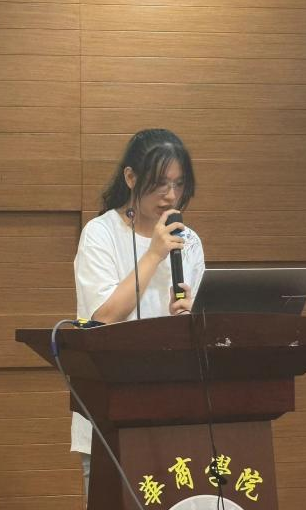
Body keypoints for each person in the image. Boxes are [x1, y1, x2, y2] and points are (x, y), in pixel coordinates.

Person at [70, 129, 205, 498]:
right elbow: (102, 318)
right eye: (160, 183)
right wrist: (153, 254)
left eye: (179, 184)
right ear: (131, 178)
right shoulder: (100, 234)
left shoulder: (189, 241)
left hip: (176, 412)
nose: (171, 196)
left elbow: (196, 330)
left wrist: (190, 316)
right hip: (111, 415)